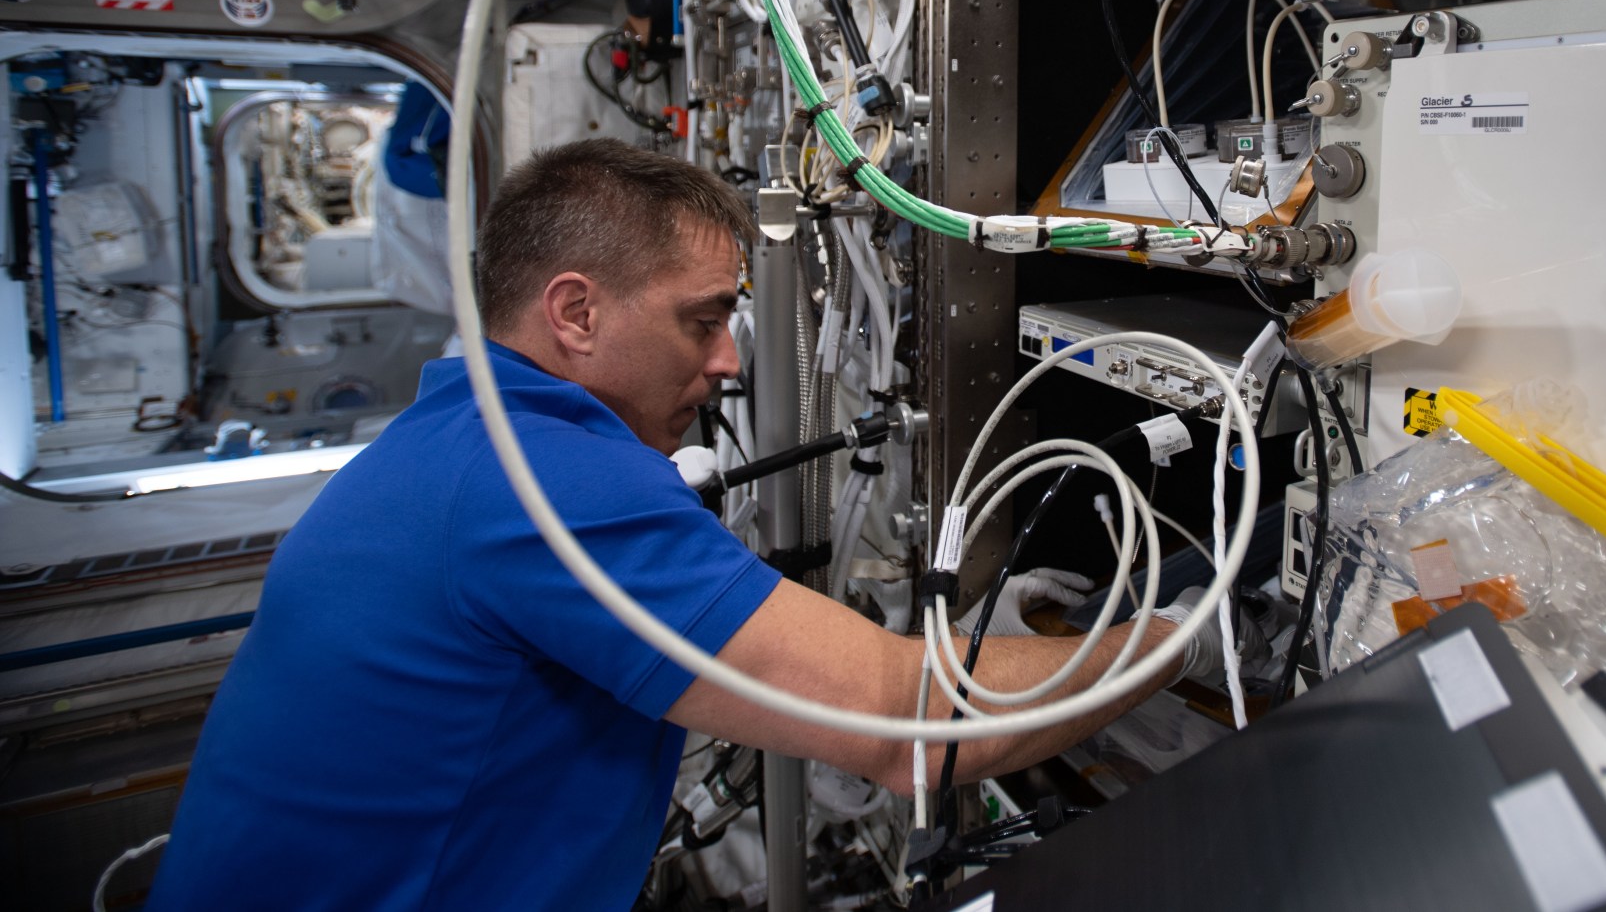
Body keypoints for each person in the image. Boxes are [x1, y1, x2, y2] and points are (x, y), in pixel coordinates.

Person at [146, 138, 1221, 911]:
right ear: (574, 313)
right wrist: (1187, 639)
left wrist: (996, 635)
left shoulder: (463, 442)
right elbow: (913, 726)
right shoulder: (546, 486)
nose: (729, 363)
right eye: (700, 319)